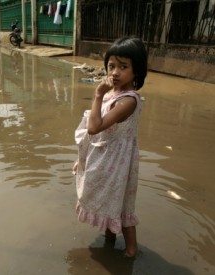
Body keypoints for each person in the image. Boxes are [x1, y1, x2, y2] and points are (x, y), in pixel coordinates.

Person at [72, 36, 148, 258]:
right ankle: (110, 239)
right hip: (105, 157)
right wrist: (83, 157)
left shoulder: (128, 101)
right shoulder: (114, 94)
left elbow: (94, 127)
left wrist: (97, 95)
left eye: (123, 67)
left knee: (122, 205)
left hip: (117, 163)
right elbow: (97, 133)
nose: (115, 72)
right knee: (110, 202)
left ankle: (131, 250)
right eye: (111, 66)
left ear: (137, 71)